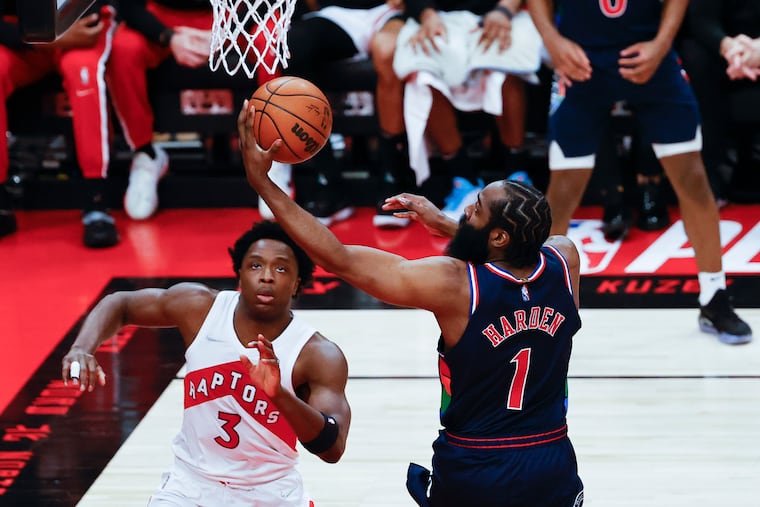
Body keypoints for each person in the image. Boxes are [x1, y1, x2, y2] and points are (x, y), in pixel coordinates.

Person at [238, 101, 585, 506]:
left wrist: (263, 183)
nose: (466, 209)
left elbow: (338, 257)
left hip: (477, 465)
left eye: (476, 210)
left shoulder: (455, 284)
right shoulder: (564, 259)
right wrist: (446, 224)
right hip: (551, 459)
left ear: (498, 238)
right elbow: (524, 246)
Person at [61, 220, 351, 506]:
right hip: (190, 486)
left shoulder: (317, 354)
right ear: (239, 274)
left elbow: (332, 448)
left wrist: (279, 395)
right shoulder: (200, 308)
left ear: (298, 282)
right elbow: (121, 304)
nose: (266, 276)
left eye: (281, 268)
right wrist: (81, 348)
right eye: (255, 265)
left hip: (270, 492)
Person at [526, 0, 753, 344]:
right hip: (581, 60)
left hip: (651, 56)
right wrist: (553, 41)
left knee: (693, 179)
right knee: (564, 189)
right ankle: (540, 302)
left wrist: (662, 43)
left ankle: (714, 295)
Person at [108, 0, 282, 221]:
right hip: (164, 15)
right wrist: (167, 37)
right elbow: (127, 6)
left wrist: (226, 31)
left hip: (237, 12)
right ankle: (146, 154)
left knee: (272, 43)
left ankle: (275, 154)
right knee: (123, 49)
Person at [0, 0, 119, 247]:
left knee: (82, 69)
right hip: (25, 35)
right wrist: (48, 38)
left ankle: (96, 199)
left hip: (80, 24)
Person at [276, 0, 402, 226]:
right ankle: (329, 179)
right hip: (337, 14)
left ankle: (392, 175)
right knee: (292, 44)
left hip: (394, 12)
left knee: (390, 51)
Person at [678, 0, 760, 204]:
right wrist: (729, 48)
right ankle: (710, 170)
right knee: (696, 57)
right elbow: (702, 19)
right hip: (725, 50)